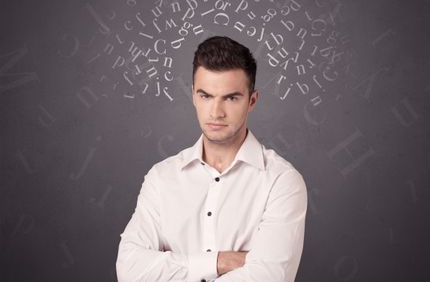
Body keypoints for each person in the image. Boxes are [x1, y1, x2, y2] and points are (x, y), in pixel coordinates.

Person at [116, 36, 308, 282]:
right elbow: (130, 270)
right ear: (194, 95)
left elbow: (268, 277)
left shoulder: (281, 182)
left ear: (252, 101)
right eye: (206, 96)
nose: (216, 112)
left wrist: (172, 270)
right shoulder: (162, 178)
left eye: (231, 98)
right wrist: (221, 261)